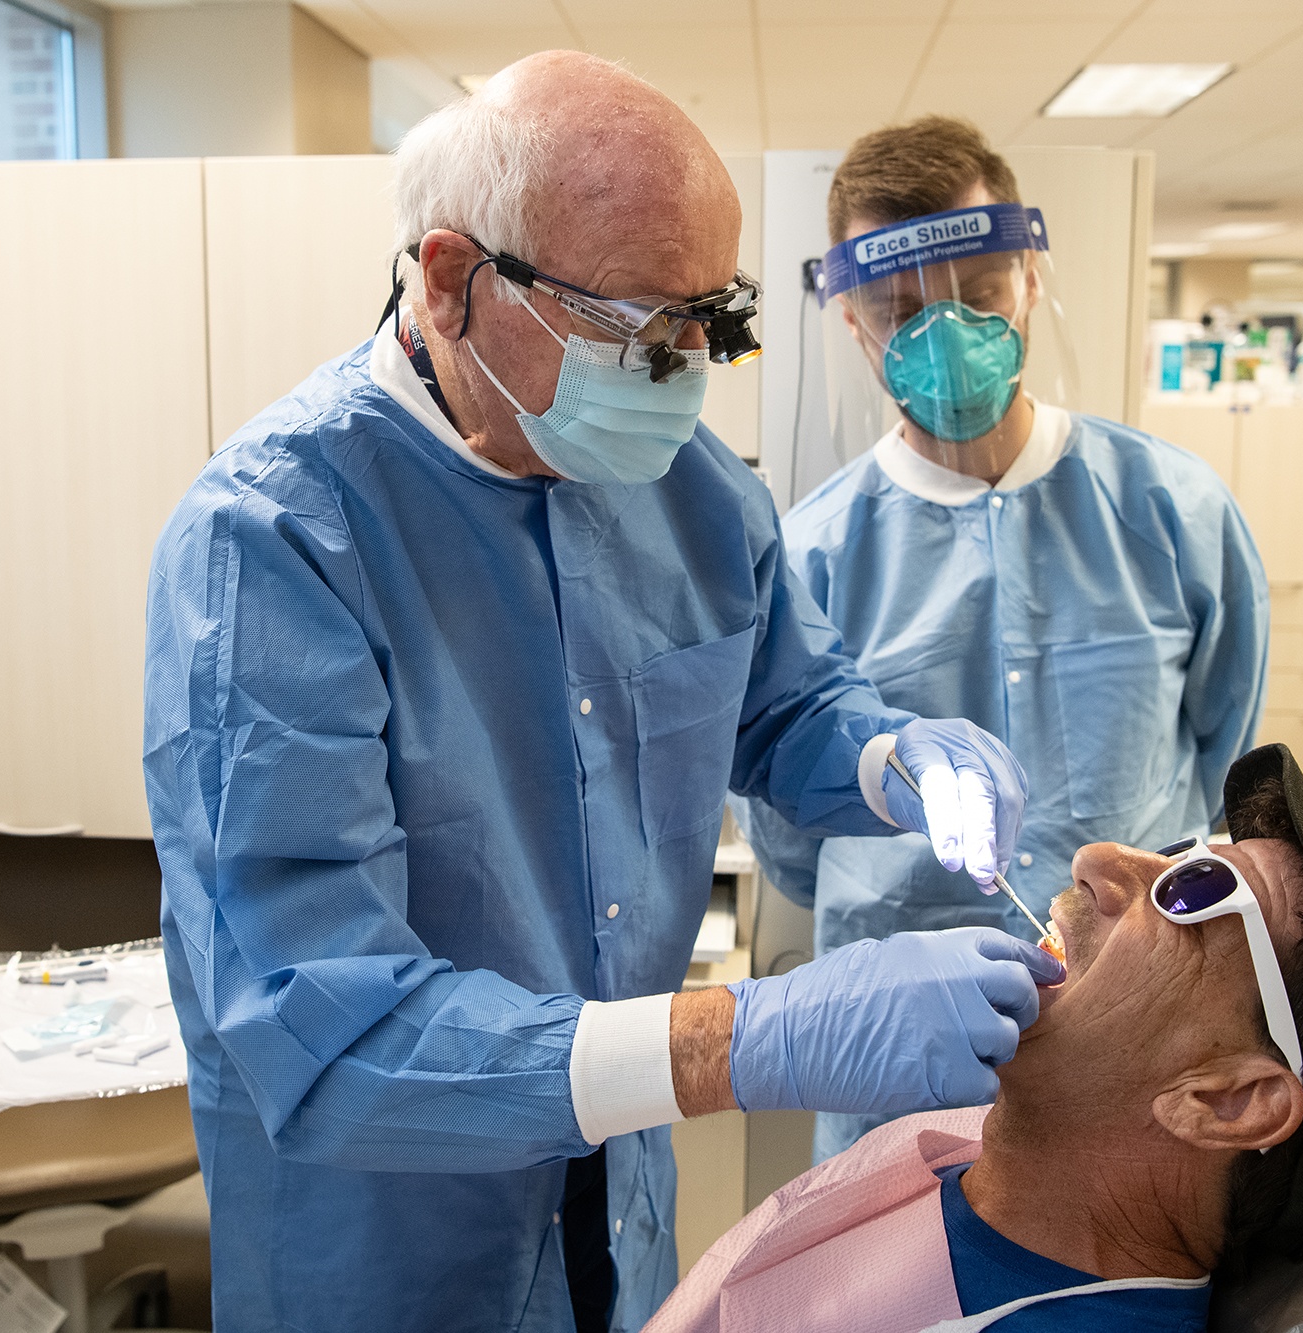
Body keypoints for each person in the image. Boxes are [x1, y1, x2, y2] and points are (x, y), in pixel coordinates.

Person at [143, 54, 1064, 1333]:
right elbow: (323, 1026)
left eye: (711, 318)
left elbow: (784, 708)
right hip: (393, 1241)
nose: (682, 369)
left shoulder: (693, 491)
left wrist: (889, 758)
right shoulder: (277, 540)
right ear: (455, 282)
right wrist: (738, 1041)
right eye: (638, 324)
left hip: (618, 1209)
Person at [737, 116, 1270, 1162]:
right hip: (901, 1057)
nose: (944, 331)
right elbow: (788, 832)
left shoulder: (1171, 509)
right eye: (899, 310)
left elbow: (1223, 751)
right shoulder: (808, 559)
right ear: (849, 322)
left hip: (1139, 1035)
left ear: (1029, 277)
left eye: (977, 293)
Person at [651, 742, 1303, 1333]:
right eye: (1184, 849)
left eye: (1194, 892)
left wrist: (720, 1044)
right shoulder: (954, 1157)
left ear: (1226, 1097)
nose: (1097, 860)